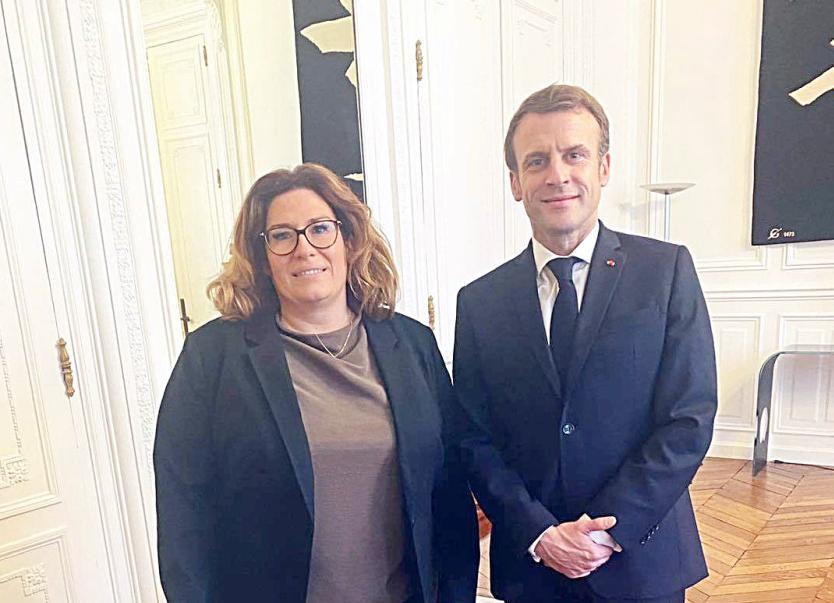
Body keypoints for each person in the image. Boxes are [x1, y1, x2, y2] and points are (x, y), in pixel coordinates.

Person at [154, 163, 478, 602]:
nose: (304, 249)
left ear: (349, 240)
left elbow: (450, 493)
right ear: (263, 257)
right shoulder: (212, 357)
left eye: (320, 229)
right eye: (282, 236)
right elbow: (183, 510)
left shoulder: (413, 344)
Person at [453, 84, 717, 602]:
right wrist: (540, 533)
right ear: (515, 182)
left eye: (574, 154)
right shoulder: (479, 302)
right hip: (534, 566)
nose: (557, 175)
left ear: (603, 167)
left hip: (641, 561)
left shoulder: (665, 272)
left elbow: (689, 418)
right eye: (536, 161)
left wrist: (603, 532)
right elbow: (473, 437)